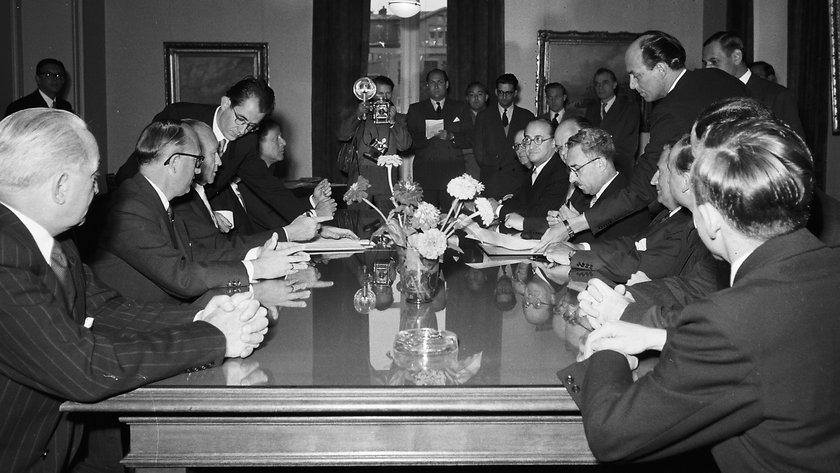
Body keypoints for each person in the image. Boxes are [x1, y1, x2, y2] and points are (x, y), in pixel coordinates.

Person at [559, 117, 840, 472]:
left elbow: (611, 435)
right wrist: (662, 337)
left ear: (708, 219)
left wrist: (608, 348)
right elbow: (775, 344)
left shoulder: (729, 323)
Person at [0, 108, 269, 471]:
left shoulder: (55, 240)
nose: (99, 189)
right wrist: (214, 338)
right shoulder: (5, 257)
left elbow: (105, 309)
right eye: (93, 177)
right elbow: (85, 367)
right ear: (61, 185)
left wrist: (201, 316)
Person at [540, 31, 748, 247]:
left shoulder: (671, 109)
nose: (631, 85)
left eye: (636, 75)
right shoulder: (715, 77)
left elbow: (642, 187)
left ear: (660, 69)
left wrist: (573, 226)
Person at [91, 120, 309, 304]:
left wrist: (257, 255)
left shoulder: (151, 199)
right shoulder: (130, 208)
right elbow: (181, 277)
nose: (198, 171)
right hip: (142, 323)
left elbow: (195, 255)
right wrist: (255, 269)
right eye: (196, 161)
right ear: (175, 162)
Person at [114, 77, 336, 225]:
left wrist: (314, 225)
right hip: (142, 212)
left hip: (196, 224)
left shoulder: (247, 142)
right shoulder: (180, 116)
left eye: (252, 126)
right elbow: (139, 166)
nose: (242, 130)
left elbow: (270, 190)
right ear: (226, 102)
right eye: (240, 119)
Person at [544, 140, 695, 284]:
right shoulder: (666, 215)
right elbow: (630, 244)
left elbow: (640, 263)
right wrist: (580, 248)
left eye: (661, 172)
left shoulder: (687, 225)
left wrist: (574, 256)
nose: (653, 181)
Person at [702, 31, 804, 136]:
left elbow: (794, 147)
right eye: (705, 63)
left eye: (714, 62)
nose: (707, 68)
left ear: (736, 57)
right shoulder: (708, 95)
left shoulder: (778, 96)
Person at [560, 127, 650, 243]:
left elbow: (614, 253)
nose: (571, 179)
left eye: (576, 169)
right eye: (570, 170)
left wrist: (572, 228)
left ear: (600, 164)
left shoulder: (629, 202)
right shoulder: (581, 193)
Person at [338, 75, 412, 206]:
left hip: (387, 175)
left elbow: (405, 146)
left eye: (388, 93)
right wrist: (358, 115)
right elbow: (342, 135)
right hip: (360, 173)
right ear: (371, 93)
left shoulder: (399, 118)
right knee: (357, 217)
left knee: (388, 219)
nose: (384, 97)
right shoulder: (362, 114)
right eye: (380, 93)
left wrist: (393, 122)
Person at [406, 69, 474, 206]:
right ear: (427, 85)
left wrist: (452, 136)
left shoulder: (461, 108)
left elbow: (471, 138)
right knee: (425, 220)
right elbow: (408, 143)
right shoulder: (415, 110)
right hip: (425, 174)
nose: (436, 86)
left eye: (440, 82)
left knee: (451, 220)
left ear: (447, 85)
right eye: (432, 82)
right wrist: (427, 135)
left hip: (452, 174)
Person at [492, 119, 568, 236]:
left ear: (553, 143)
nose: (531, 146)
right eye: (527, 139)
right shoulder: (535, 170)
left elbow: (538, 217)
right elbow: (519, 201)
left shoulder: (560, 173)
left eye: (538, 139)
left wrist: (498, 211)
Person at [474, 73, 535, 199]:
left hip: (517, 181)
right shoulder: (483, 116)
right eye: (501, 92)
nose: (504, 97)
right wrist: (493, 167)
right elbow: (479, 152)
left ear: (515, 93)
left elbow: (530, 150)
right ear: (496, 92)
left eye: (508, 93)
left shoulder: (527, 117)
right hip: (492, 180)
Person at [583, 68, 640, 176]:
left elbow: (628, 148)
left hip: (618, 170)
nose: (600, 87)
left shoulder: (629, 109)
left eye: (605, 83)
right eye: (597, 84)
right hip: (594, 170)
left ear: (614, 84)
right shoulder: (591, 110)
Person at [4, 58, 74, 117]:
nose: (55, 79)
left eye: (58, 75)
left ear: (63, 80)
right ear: (38, 79)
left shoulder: (65, 107)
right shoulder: (21, 107)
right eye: (48, 75)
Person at [463, 81, 489, 178]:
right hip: (467, 165)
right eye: (472, 95)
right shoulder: (461, 117)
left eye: (480, 94)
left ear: (486, 97)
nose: (476, 98)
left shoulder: (494, 116)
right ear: (467, 98)